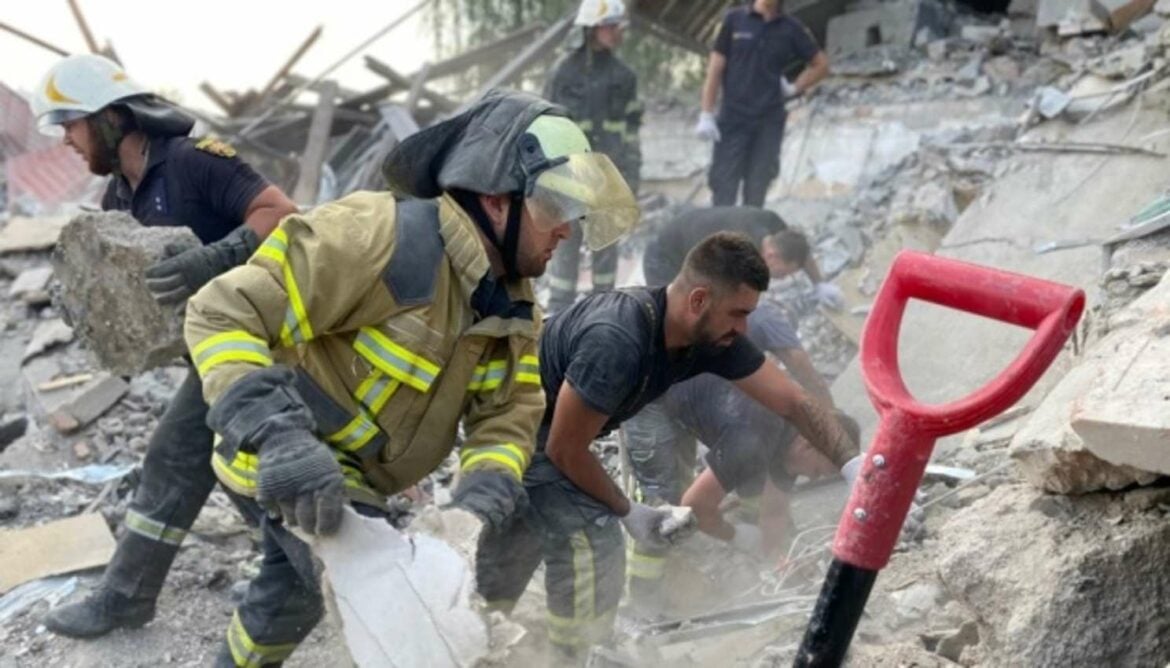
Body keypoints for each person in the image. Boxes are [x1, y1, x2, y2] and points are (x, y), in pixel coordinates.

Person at [182, 89, 638, 667]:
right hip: (287, 459)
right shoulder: (380, 236)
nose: (567, 231)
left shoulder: (514, 308)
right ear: (498, 202)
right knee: (405, 625)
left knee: (287, 599)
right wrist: (279, 436)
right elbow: (221, 311)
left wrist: (480, 496)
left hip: (360, 478)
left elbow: (508, 412)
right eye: (555, 208)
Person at [476, 231, 860, 655]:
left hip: (551, 423)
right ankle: (578, 655)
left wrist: (850, 463)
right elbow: (565, 449)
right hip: (519, 423)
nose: (744, 327)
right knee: (592, 543)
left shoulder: (711, 335)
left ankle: (486, 625)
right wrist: (627, 509)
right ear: (698, 300)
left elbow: (793, 401)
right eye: (737, 313)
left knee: (524, 523)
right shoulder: (617, 341)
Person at [30, 53, 297, 639]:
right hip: (211, 354)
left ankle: (132, 596)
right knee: (219, 468)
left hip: (271, 342)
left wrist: (220, 255)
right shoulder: (117, 201)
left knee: (184, 459)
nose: (68, 141)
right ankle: (310, 566)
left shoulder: (195, 163)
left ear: (110, 117)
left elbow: (283, 214)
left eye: (70, 124)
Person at [622, 298, 834, 605]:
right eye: (814, 471)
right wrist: (735, 535)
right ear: (807, 443)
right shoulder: (750, 440)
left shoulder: (790, 440)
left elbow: (775, 508)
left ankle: (727, 557)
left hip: (689, 394)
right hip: (651, 393)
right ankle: (643, 600)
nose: (809, 478)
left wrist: (775, 552)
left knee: (751, 485)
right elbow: (694, 504)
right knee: (663, 502)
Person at [544, 0, 642, 314]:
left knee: (606, 248)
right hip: (568, 172)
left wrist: (632, 175)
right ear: (591, 28)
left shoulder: (625, 75)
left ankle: (603, 310)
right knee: (565, 247)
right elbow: (544, 123)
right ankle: (558, 313)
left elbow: (631, 131)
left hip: (607, 171)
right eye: (609, 26)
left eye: (617, 26)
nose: (616, 32)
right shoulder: (563, 71)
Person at [694, 0, 830, 207]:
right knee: (723, 188)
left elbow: (821, 65)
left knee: (756, 190)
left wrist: (794, 88)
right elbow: (715, 69)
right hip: (733, 120)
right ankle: (721, 237)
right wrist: (706, 113)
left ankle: (749, 238)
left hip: (769, 122)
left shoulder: (791, 28)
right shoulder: (734, 20)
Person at [642, 205, 842, 308]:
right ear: (772, 256)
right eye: (783, 273)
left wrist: (819, 283)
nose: (784, 278)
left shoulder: (772, 223)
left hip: (689, 237)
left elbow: (800, 251)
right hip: (663, 258)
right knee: (680, 315)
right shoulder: (736, 253)